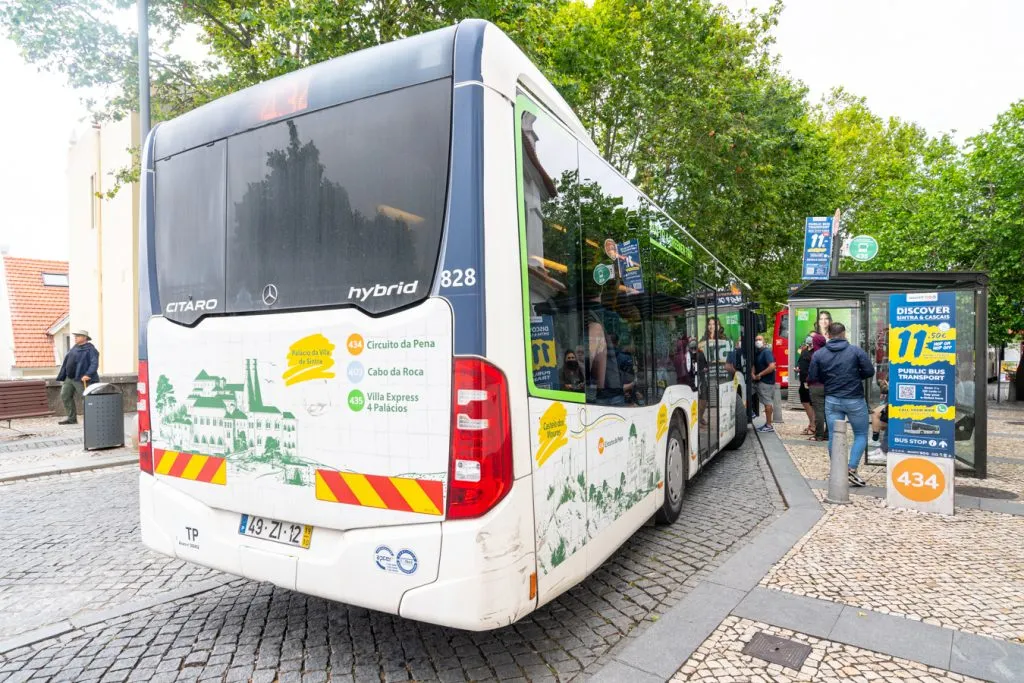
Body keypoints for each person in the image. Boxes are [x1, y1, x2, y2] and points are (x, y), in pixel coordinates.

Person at [808, 322, 875, 487]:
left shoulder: (819, 354)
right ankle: (851, 469)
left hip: (832, 399)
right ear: (844, 333)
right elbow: (869, 371)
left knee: (834, 435)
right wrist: (853, 376)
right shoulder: (856, 351)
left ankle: (838, 470)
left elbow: (813, 376)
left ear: (828, 335)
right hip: (854, 399)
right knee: (860, 434)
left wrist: (830, 380)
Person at [56, 329, 100, 425]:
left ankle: (92, 419)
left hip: (81, 378)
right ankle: (71, 419)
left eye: (78, 336)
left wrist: (88, 374)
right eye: (75, 336)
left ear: (84, 338)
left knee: (87, 399)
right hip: (69, 377)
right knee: (65, 395)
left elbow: (94, 363)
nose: (75, 337)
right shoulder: (75, 347)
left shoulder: (91, 349)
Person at [751, 334, 777, 432]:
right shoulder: (758, 352)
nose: (758, 341)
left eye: (760, 339)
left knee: (767, 403)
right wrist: (752, 373)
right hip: (758, 381)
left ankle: (769, 425)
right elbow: (754, 364)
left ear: (764, 341)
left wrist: (760, 374)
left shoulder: (766, 352)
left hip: (766, 382)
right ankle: (751, 412)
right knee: (748, 393)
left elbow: (772, 366)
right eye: (756, 339)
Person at [807, 333, 828, 441]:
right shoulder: (829, 353)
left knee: (819, 411)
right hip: (829, 386)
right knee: (828, 411)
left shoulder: (816, 354)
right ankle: (828, 433)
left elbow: (812, 372)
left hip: (816, 385)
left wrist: (809, 381)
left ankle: (819, 434)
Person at [797, 336, 815, 435]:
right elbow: (800, 363)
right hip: (803, 380)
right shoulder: (804, 350)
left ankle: (813, 425)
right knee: (805, 401)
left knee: (811, 403)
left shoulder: (816, 352)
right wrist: (798, 368)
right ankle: (811, 423)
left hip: (810, 381)